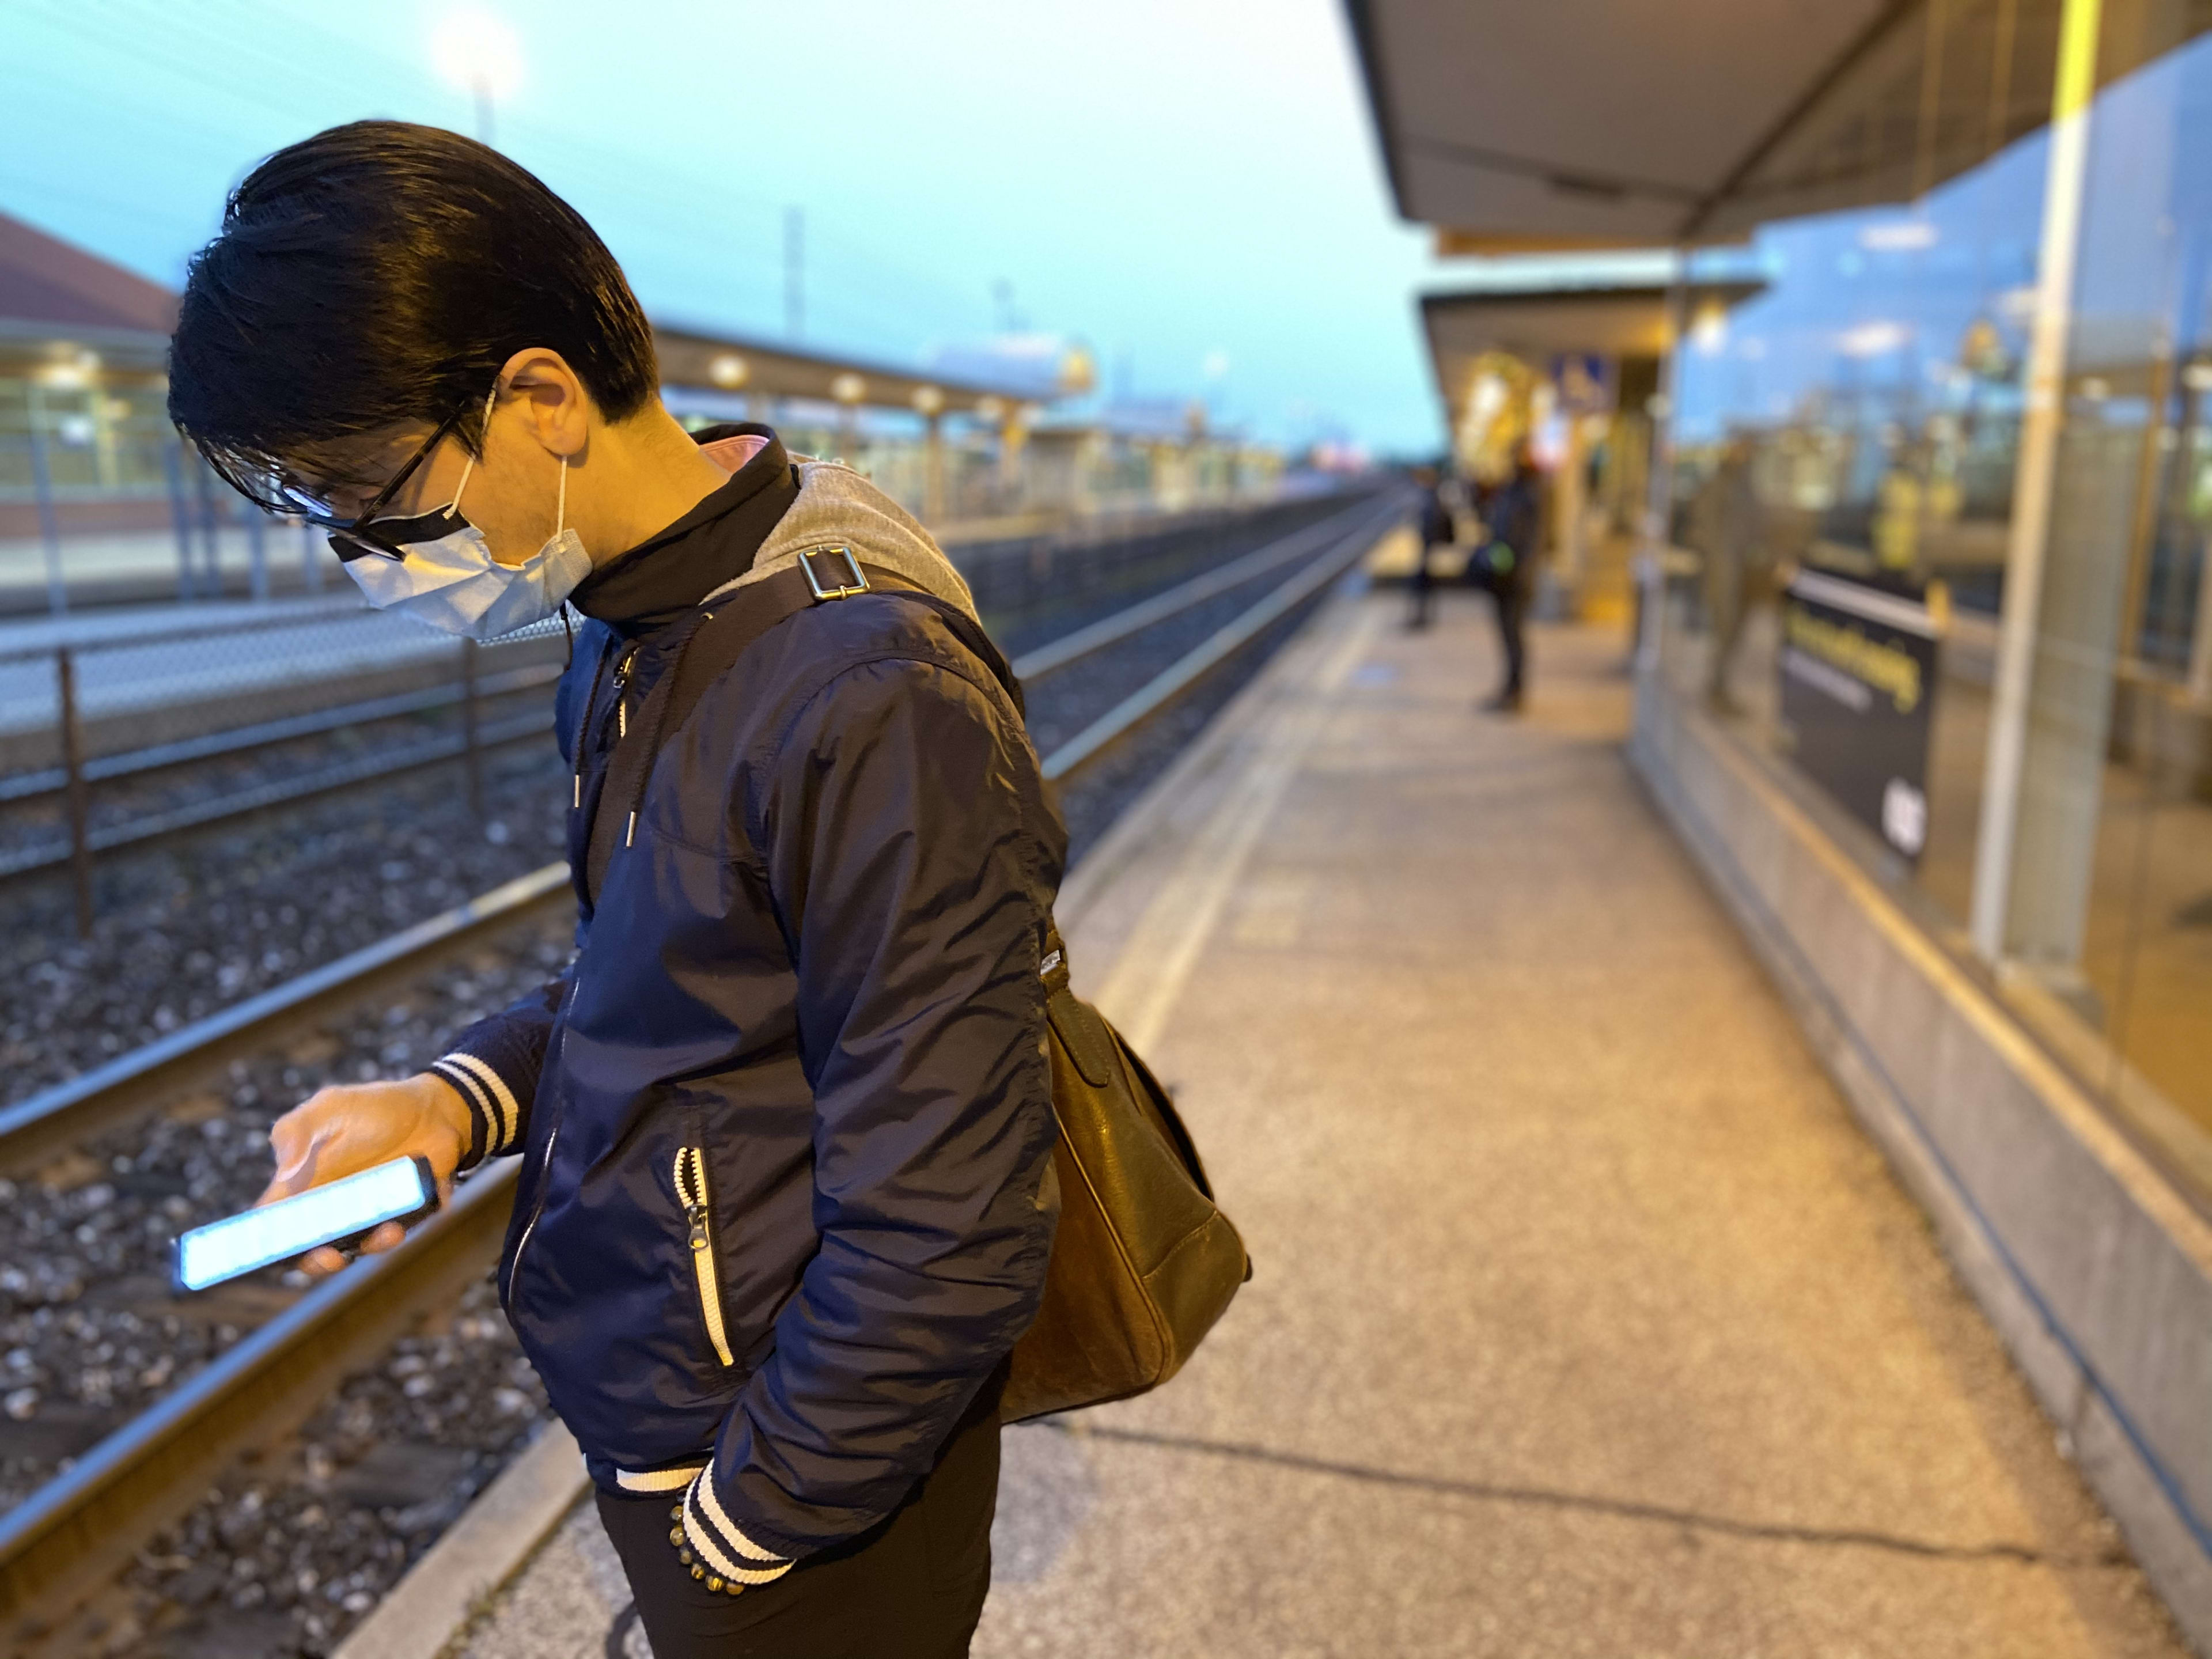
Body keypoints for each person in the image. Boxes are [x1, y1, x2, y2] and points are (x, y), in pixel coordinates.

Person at [168, 122, 1064, 1659]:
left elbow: (952, 1222)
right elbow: (663, 973)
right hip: (683, 1405)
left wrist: (741, 1528)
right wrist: (455, 1102)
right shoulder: (631, 619)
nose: (368, 559)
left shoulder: (869, 692)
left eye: (372, 502)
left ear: (539, 399)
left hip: (791, 1493)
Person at [1690, 434, 1766, 715]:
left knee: (1735, 631)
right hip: (1725, 571)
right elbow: (1706, 532)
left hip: (1744, 570)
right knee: (1725, 628)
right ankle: (1716, 688)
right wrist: (1718, 567)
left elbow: (1756, 526)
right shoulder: (1719, 484)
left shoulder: (1746, 485)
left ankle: (1720, 686)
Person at [1476, 448, 1543, 712]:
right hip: (1503, 576)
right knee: (1506, 634)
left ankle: (1515, 691)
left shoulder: (1532, 494)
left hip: (1516, 579)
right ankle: (1509, 688)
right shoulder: (1513, 492)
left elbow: (1529, 540)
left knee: (1513, 634)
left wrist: (1520, 572)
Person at [1407, 463, 1455, 630]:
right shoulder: (1434, 495)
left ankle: (1422, 618)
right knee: (1425, 584)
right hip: (1429, 547)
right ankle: (1422, 617)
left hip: (1429, 547)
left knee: (1423, 584)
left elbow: (1433, 522)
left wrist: (1431, 545)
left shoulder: (1432, 497)